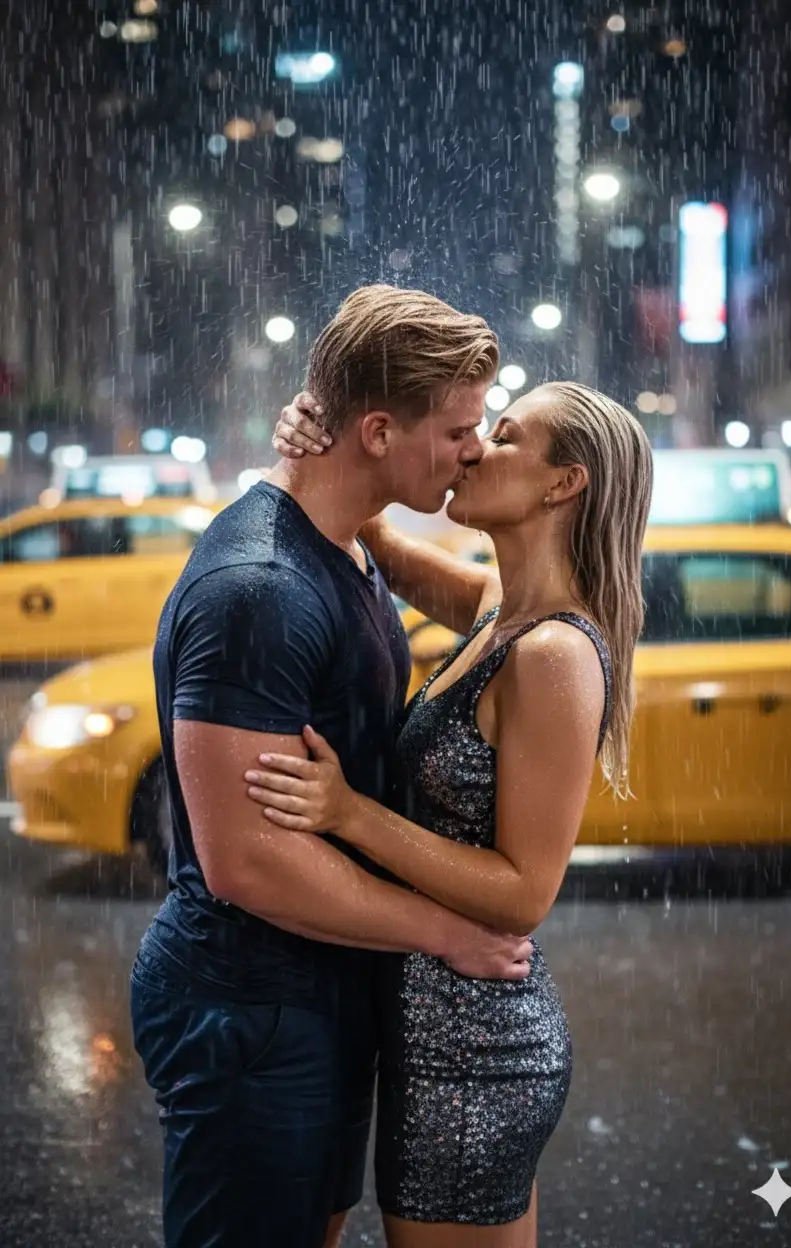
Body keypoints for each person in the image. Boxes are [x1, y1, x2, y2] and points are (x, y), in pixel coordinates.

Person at [129, 285, 535, 1248]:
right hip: (248, 1000)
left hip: (316, 986)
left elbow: (503, 609)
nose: (473, 450)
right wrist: (446, 932)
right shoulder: (259, 591)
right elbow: (246, 862)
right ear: (381, 429)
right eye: (459, 430)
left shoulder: (346, 549)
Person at [250, 379, 654, 1247]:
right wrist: (315, 441)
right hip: (435, 1028)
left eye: (503, 439)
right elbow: (378, 536)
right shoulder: (497, 615)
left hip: (473, 1053)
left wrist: (349, 814)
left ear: (563, 484)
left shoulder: (552, 653)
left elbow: (523, 893)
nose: (473, 450)